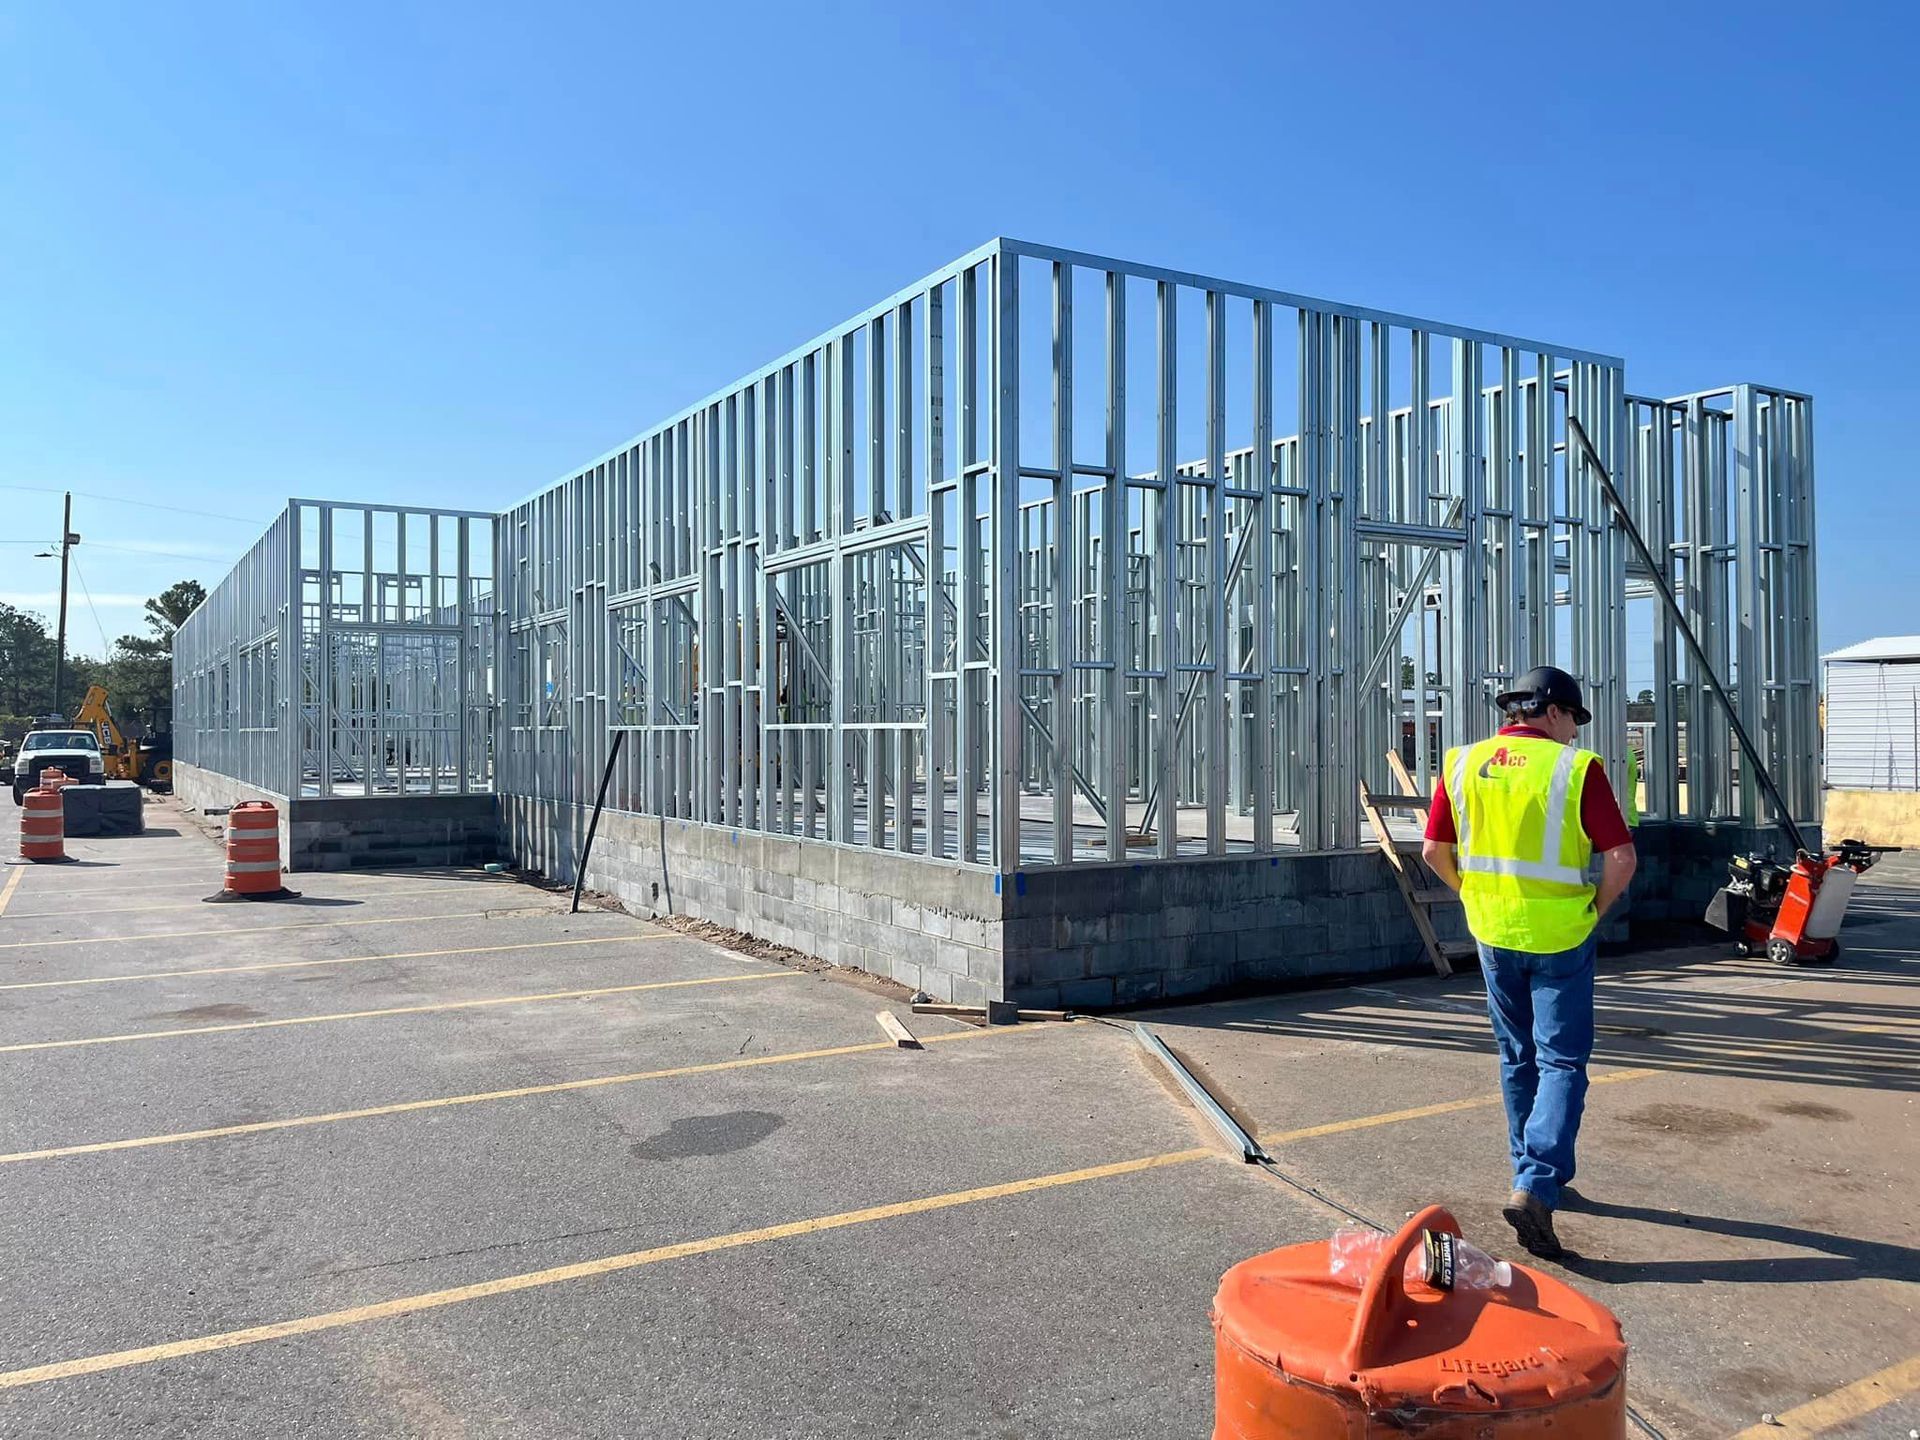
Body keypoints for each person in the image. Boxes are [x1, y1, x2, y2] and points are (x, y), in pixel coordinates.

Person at [1421, 666, 1637, 1259]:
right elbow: (1620, 857)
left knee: (1518, 1054)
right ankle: (1538, 1183)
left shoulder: (1462, 762)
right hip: (1561, 935)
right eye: (1574, 721)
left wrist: (1470, 893)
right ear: (1554, 712)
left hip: (1492, 931)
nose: (1575, 734)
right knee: (1563, 1061)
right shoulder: (1575, 769)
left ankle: (1529, 1169)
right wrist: (1597, 907)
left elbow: (1434, 851)